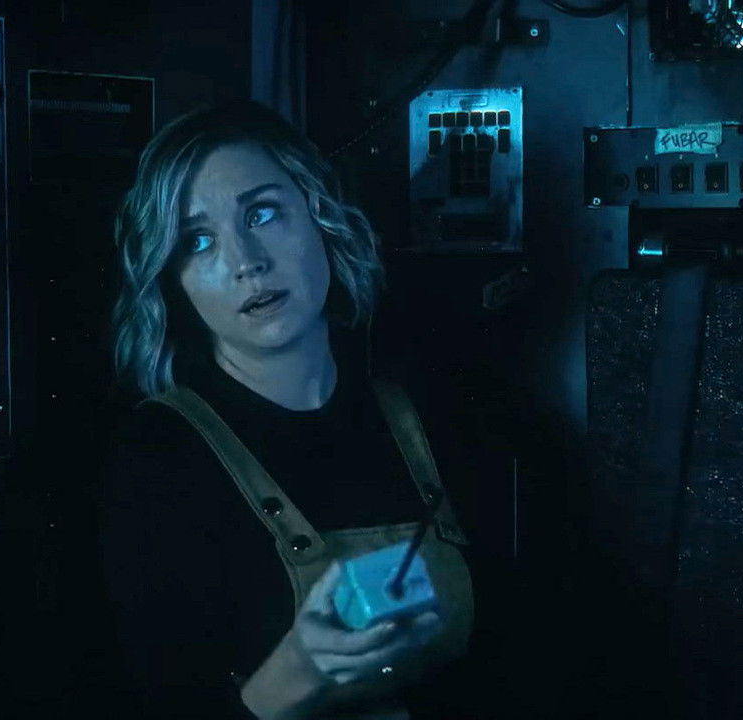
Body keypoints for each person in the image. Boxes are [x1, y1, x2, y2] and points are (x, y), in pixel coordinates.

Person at [95, 100, 518, 719]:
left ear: (320, 214)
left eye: (262, 213)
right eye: (199, 241)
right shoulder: (161, 456)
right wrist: (297, 669)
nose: (246, 262)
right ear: (172, 279)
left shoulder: (427, 414)